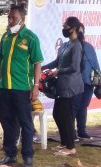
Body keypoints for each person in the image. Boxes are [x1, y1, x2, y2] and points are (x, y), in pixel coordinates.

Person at [0, 4, 43, 167]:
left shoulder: (30, 38)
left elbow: (37, 63)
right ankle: (10, 154)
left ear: (22, 18)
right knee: (7, 122)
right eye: (9, 17)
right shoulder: (5, 36)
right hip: (4, 88)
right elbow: (0, 58)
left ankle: (28, 156)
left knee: (25, 123)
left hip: (22, 89)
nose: (10, 20)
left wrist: (35, 86)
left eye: (13, 17)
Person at [42, 17, 84, 156]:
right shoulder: (66, 45)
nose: (64, 29)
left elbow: (74, 67)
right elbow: (57, 61)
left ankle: (71, 147)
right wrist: (41, 67)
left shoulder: (77, 45)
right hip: (62, 84)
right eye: (63, 26)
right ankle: (65, 143)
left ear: (74, 28)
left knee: (65, 116)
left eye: (66, 27)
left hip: (70, 86)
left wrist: (58, 72)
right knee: (57, 114)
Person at [72, 23, 100, 140]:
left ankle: (82, 130)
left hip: (87, 82)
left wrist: (98, 81)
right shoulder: (70, 46)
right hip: (74, 83)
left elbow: (95, 65)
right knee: (73, 107)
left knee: (83, 106)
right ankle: (71, 132)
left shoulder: (88, 47)